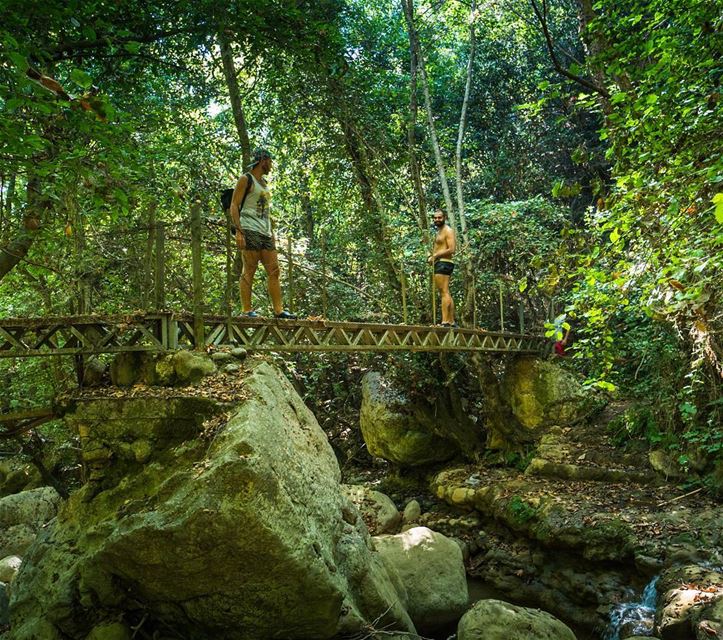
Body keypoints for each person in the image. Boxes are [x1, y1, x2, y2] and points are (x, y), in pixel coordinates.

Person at [229, 148, 296, 319]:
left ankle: (279, 311)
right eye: (270, 161)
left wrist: (271, 232)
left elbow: (266, 211)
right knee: (249, 269)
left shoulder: (264, 184)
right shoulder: (246, 179)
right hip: (249, 228)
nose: (271, 165)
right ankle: (246, 310)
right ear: (263, 160)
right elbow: (234, 205)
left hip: (265, 232)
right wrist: (238, 231)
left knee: (274, 270)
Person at [428, 209, 457, 327]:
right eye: (435, 218)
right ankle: (451, 321)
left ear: (444, 217)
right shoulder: (439, 231)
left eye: (439, 217)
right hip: (440, 263)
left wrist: (435, 256)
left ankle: (445, 322)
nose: (437, 220)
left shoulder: (448, 231)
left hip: (444, 263)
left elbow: (452, 249)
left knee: (444, 292)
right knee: (446, 292)